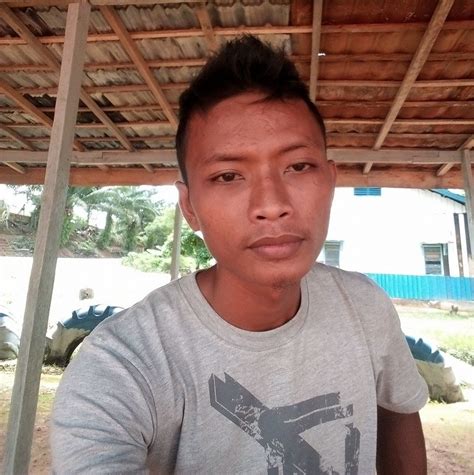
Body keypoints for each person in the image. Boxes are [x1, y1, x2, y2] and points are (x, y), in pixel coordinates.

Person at [51, 35, 428, 474]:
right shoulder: (122, 365)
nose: (271, 204)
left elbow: (399, 413)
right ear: (190, 207)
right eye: (228, 176)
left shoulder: (365, 308)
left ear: (329, 182)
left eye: (298, 166)